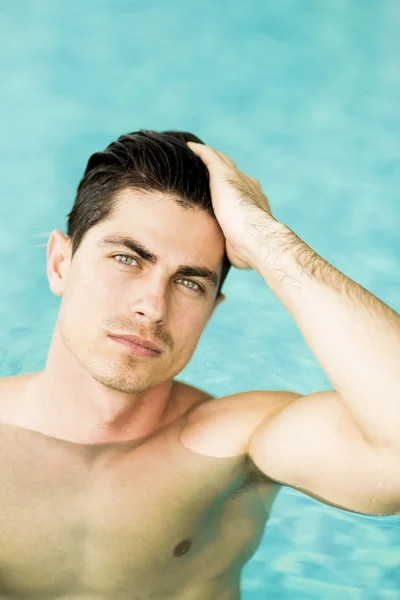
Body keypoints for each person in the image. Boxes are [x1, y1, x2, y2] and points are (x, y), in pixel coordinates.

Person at [0, 130, 399, 600]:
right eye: (127, 259)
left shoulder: (235, 451)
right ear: (59, 265)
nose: (153, 306)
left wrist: (262, 237)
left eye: (190, 283)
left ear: (213, 307)